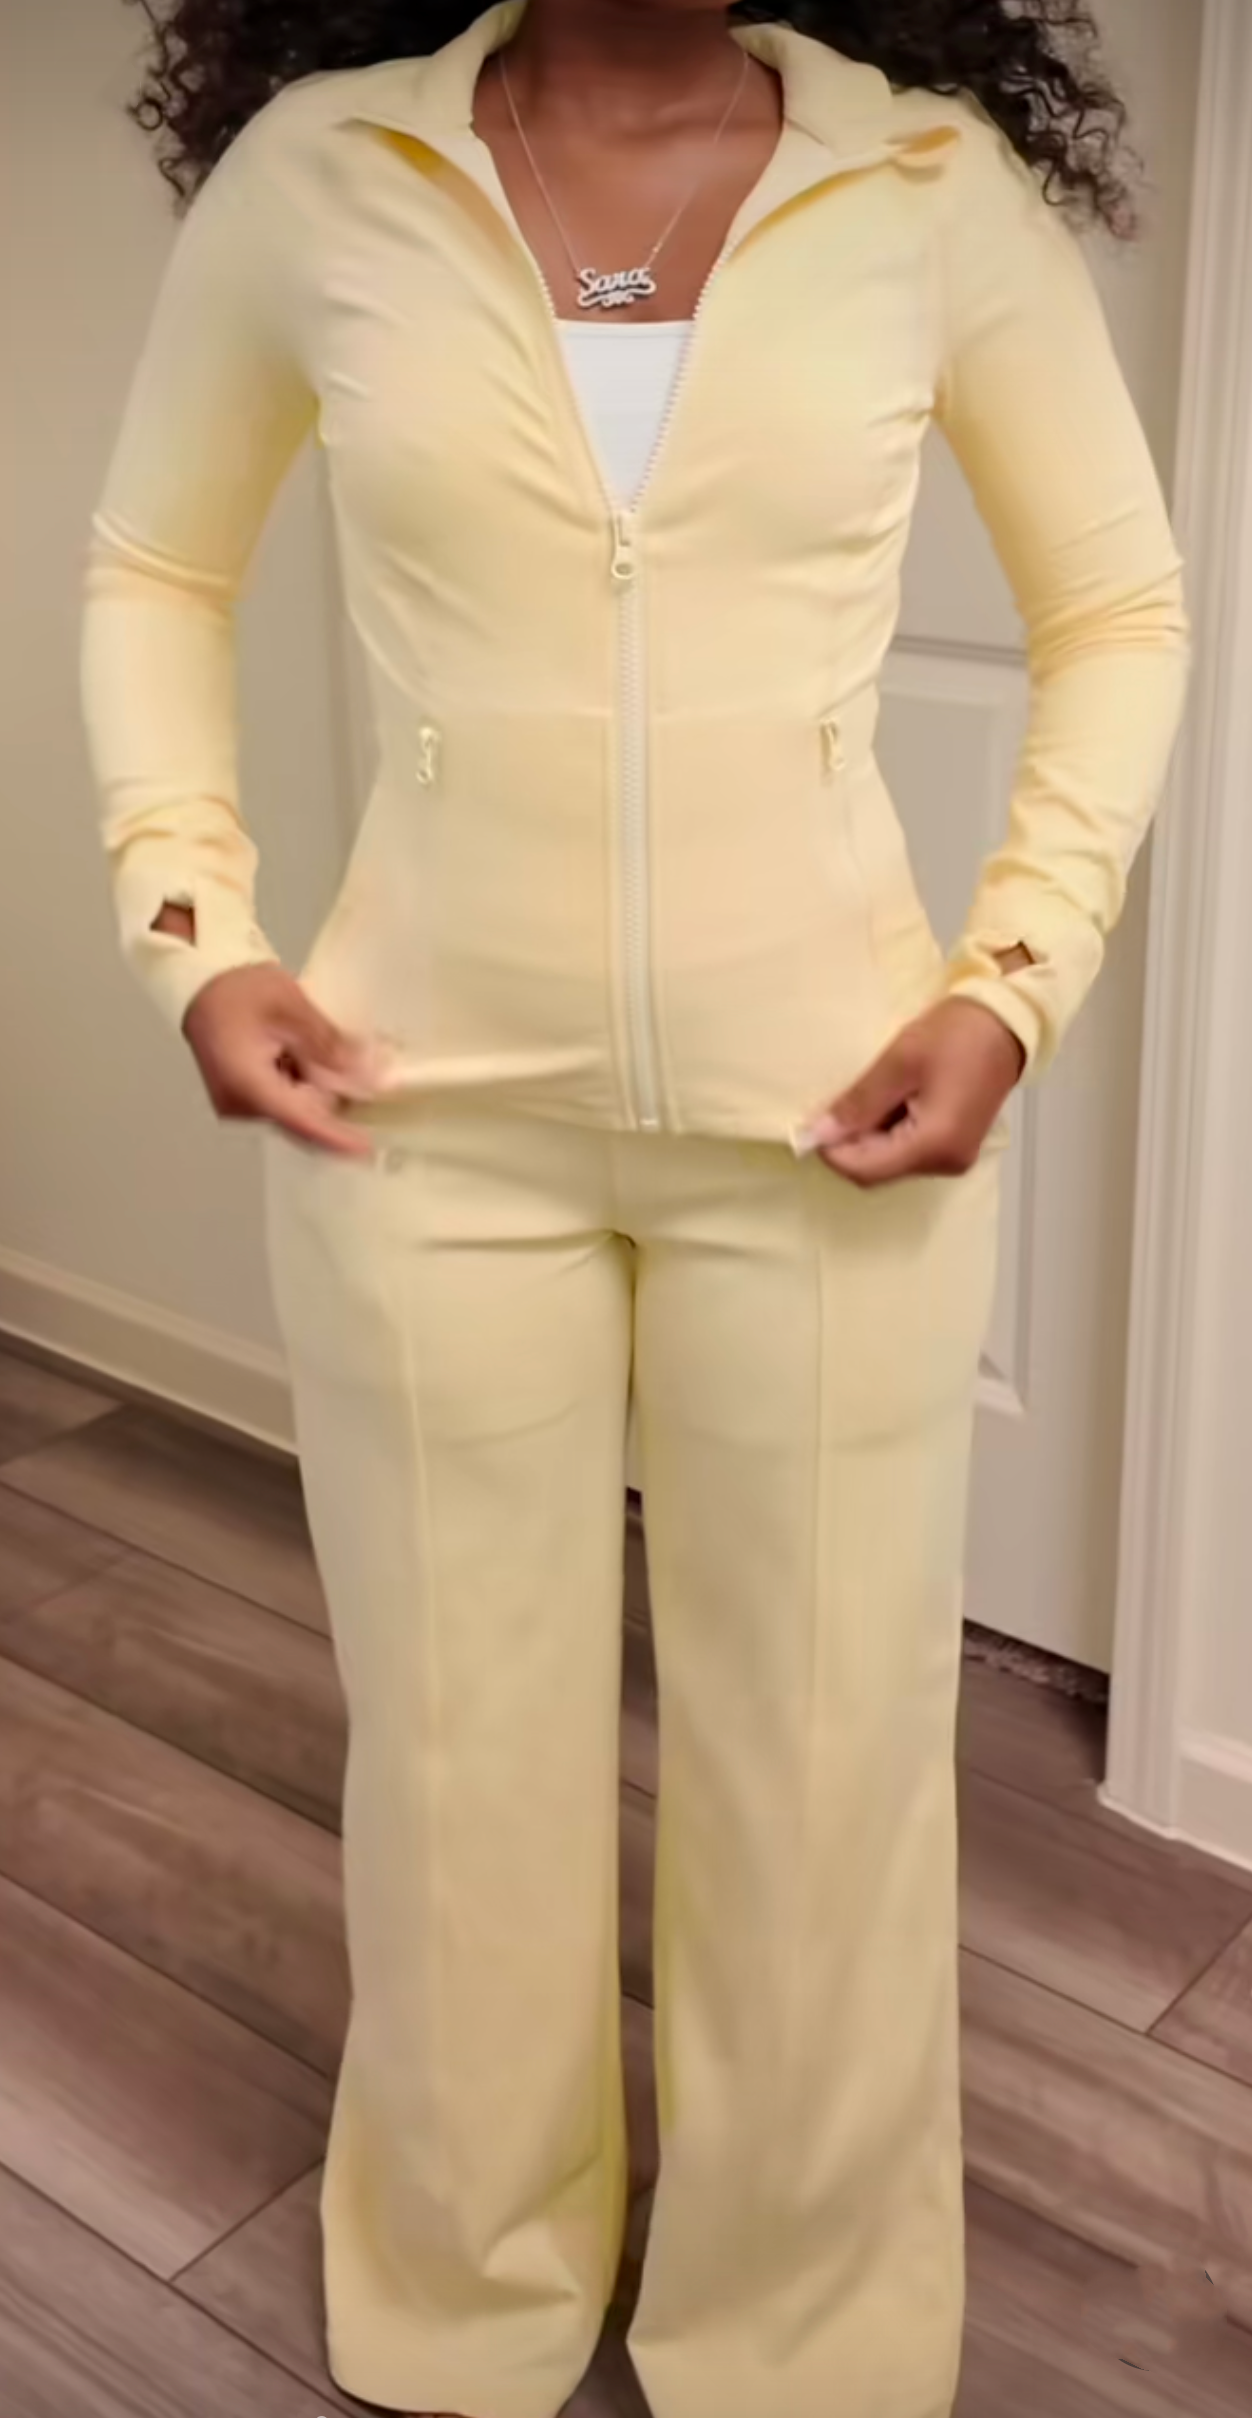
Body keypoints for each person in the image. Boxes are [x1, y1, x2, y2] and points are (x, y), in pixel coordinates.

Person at [80, 3, 1189, 2413]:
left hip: (831, 1123)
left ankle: (798, 2332)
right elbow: (154, 566)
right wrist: (196, 925)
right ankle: (463, 2297)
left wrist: (1010, 980)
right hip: (415, 1120)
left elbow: (1118, 608)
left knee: (821, 1772)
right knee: (454, 1762)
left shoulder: (926, 191)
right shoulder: (321, 176)